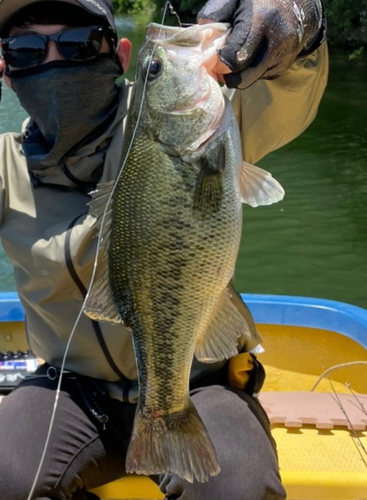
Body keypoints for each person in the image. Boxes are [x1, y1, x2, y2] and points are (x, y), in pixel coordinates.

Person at [0, 0, 327, 499]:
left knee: (236, 486)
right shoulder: (5, 167)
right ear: (4, 69)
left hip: (201, 379)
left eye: (78, 44)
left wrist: (301, 30)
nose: (53, 61)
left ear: (121, 54)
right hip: (69, 389)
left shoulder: (192, 118)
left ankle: (169, 414)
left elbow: (289, 94)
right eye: (25, 49)